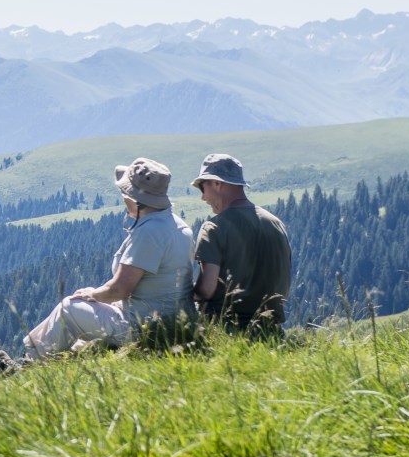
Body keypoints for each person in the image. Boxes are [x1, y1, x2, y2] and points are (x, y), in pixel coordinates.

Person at [23, 158, 197, 361]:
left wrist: (93, 295)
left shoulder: (149, 232)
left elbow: (120, 290)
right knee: (85, 308)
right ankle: (63, 357)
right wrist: (96, 295)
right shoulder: (178, 225)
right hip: (172, 320)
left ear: (134, 198)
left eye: (125, 192)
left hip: (143, 326)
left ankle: (32, 362)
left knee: (68, 308)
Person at [190, 153, 293, 334]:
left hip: (225, 331)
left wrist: (183, 293)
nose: (203, 198)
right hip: (271, 332)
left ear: (217, 183)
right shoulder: (276, 224)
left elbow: (206, 290)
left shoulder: (214, 228)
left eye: (202, 188)